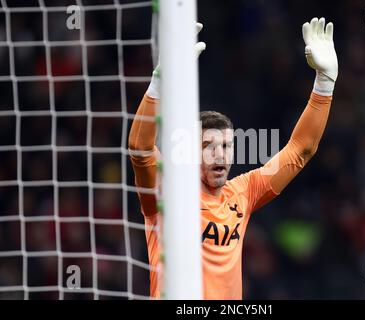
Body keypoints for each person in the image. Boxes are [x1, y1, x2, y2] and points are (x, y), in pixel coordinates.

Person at [128, 17, 339, 299]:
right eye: (208, 145)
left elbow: (301, 150)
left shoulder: (243, 191)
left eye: (226, 145)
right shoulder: (166, 193)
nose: (220, 153)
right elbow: (140, 150)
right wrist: (159, 85)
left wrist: (324, 84)